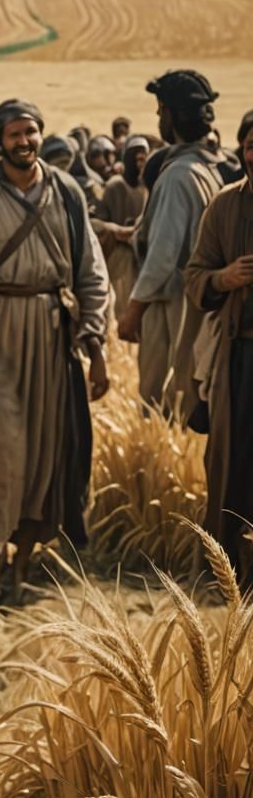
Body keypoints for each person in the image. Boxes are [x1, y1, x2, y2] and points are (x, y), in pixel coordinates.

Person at [0, 98, 110, 603]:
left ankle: (23, 568)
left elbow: (91, 271)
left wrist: (96, 344)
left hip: (52, 337)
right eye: (15, 134)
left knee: (45, 454)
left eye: (32, 132)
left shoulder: (66, 192)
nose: (25, 141)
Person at [119, 70, 223, 417]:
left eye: (161, 109)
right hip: (199, 300)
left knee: (166, 401)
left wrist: (134, 310)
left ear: (174, 115)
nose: (158, 117)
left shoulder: (179, 176)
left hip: (174, 306)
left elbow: (163, 255)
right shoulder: (209, 167)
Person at [184, 109, 253, 588]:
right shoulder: (225, 206)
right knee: (232, 464)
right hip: (240, 359)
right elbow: (194, 276)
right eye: (251, 145)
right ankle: (232, 576)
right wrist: (223, 279)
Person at [93, 134, 149, 323]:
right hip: (120, 258)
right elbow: (97, 222)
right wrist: (117, 230)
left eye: (144, 159)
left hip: (141, 257)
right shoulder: (114, 186)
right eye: (138, 159)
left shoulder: (147, 188)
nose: (141, 164)